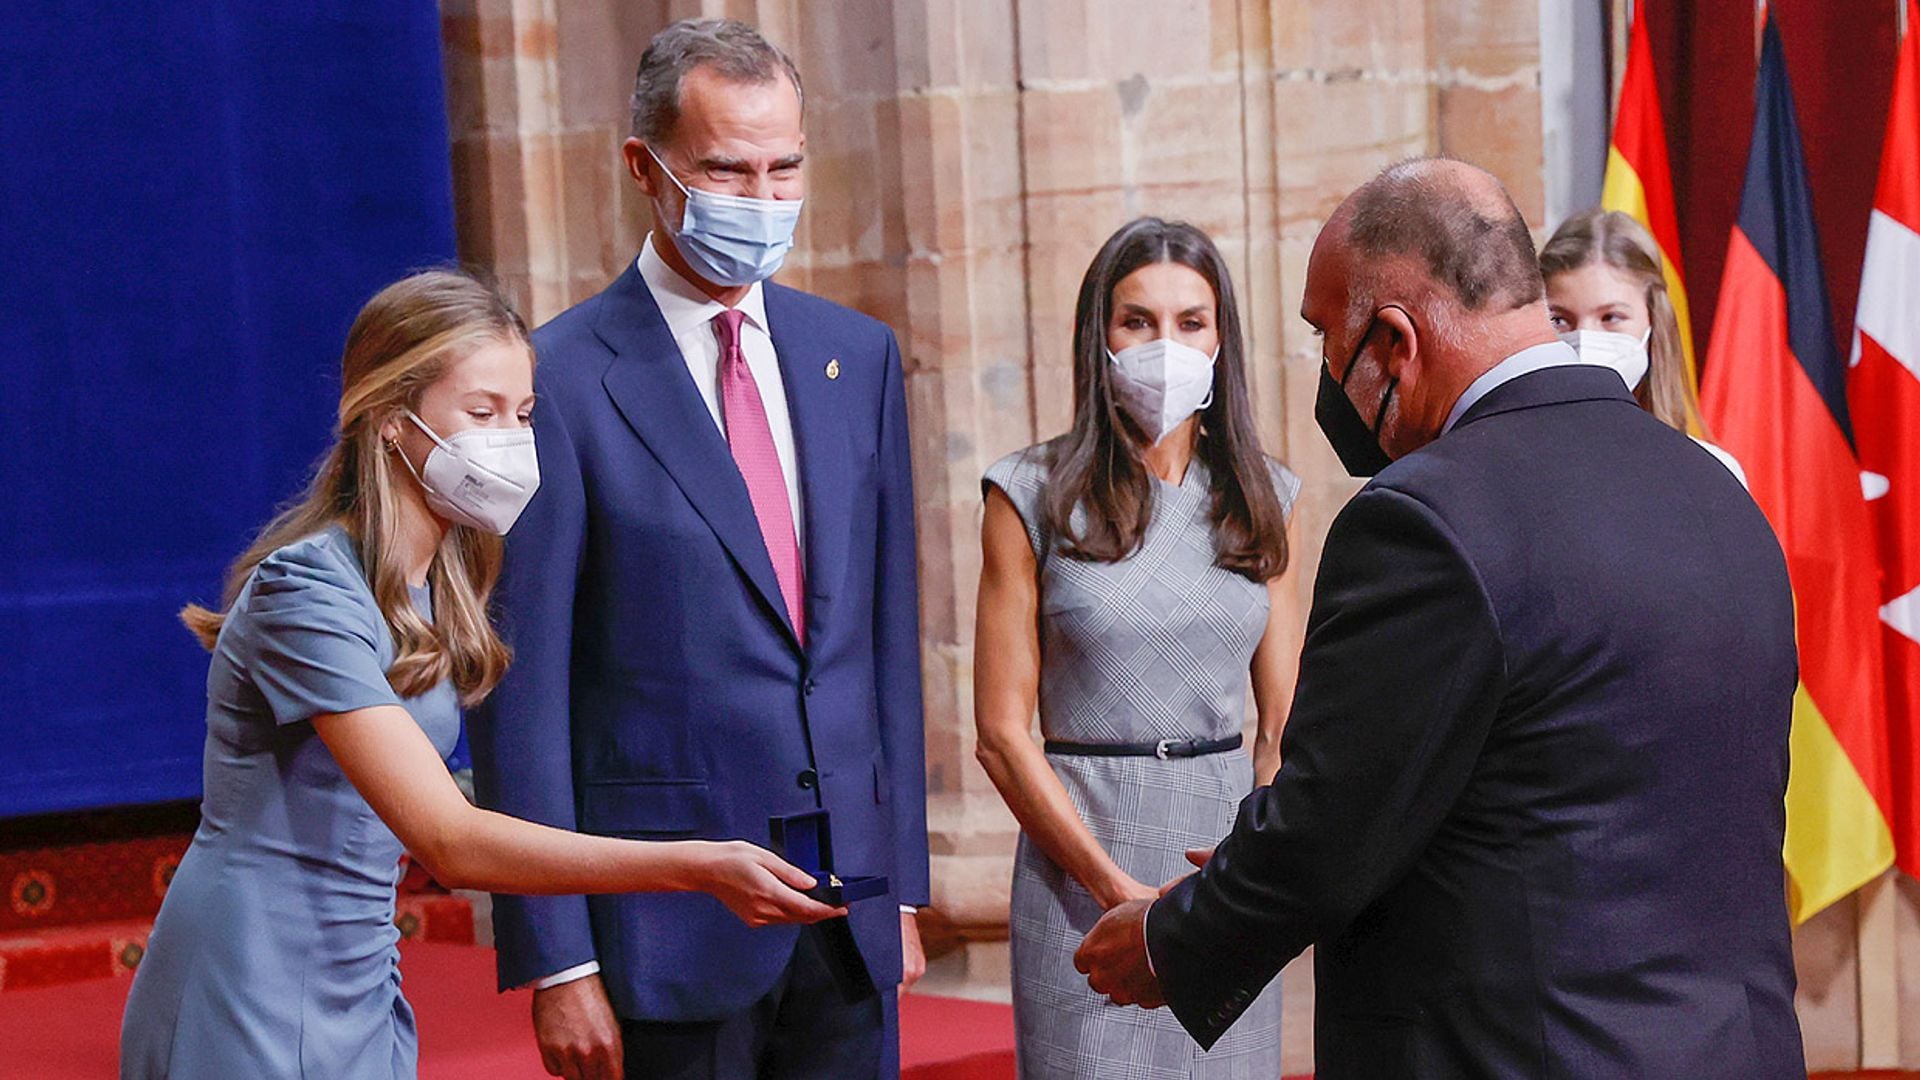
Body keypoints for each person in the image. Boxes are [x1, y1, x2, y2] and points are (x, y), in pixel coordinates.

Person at [1075, 159, 1805, 1078]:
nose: (1327, 377)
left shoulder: (1422, 519)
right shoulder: (1719, 493)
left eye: (1324, 341)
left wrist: (1168, 941)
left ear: (1393, 341)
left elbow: (1330, 831)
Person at [118, 271, 842, 1080]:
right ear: (393, 424)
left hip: (358, 966)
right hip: (253, 968)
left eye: (524, 415)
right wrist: (695, 864)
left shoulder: (434, 587)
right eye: (481, 413)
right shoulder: (306, 592)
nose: (511, 440)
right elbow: (448, 843)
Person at [466, 18, 928, 1080]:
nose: (763, 201)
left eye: (784, 169)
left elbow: (884, 639)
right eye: (726, 170)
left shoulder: (855, 358)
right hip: (663, 936)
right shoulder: (563, 379)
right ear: (646, 167)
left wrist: (900, 885)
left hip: (847, 917)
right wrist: (557, 961)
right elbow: (522, 689)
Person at [974, 217, 1298, 1078]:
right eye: (1138, 321)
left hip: (1223, 865)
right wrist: (1117, 890)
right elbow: (1002, 736)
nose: (1166, 344)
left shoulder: (1264, 496)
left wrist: (1242, 882)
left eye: (1190, 322)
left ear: (1221, 339)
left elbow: (1284, 726)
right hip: (1080, 859)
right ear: (1100, 337)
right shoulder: (1027, 495)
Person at [1540, 207, 1748, 485]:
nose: (1585, 337)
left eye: (1611, 317)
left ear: (1653, 321)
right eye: (1560, 319)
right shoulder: (1500, 466)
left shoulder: (1710, 473)